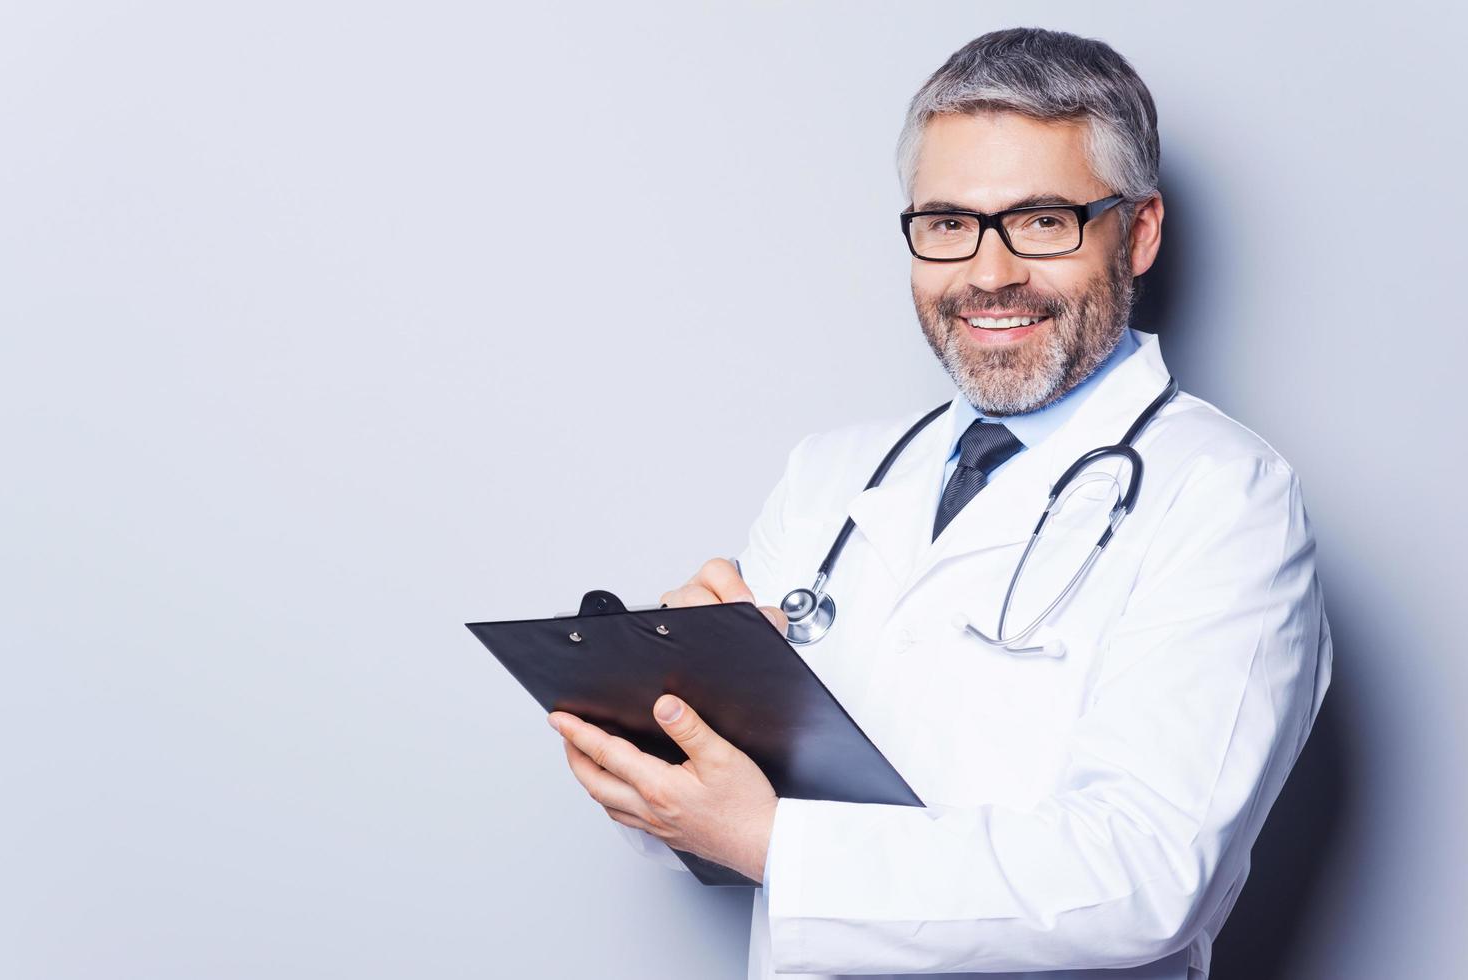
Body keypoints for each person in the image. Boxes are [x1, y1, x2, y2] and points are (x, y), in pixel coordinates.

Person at [545, 26, 1332, 980]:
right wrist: (674, 727)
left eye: (1042, 220)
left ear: (1139, 232)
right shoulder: (831, 476)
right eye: (949, 223)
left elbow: (1148, 875)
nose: (987, 272)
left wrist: (773, 845)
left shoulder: (1224, 497)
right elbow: (726, 833)